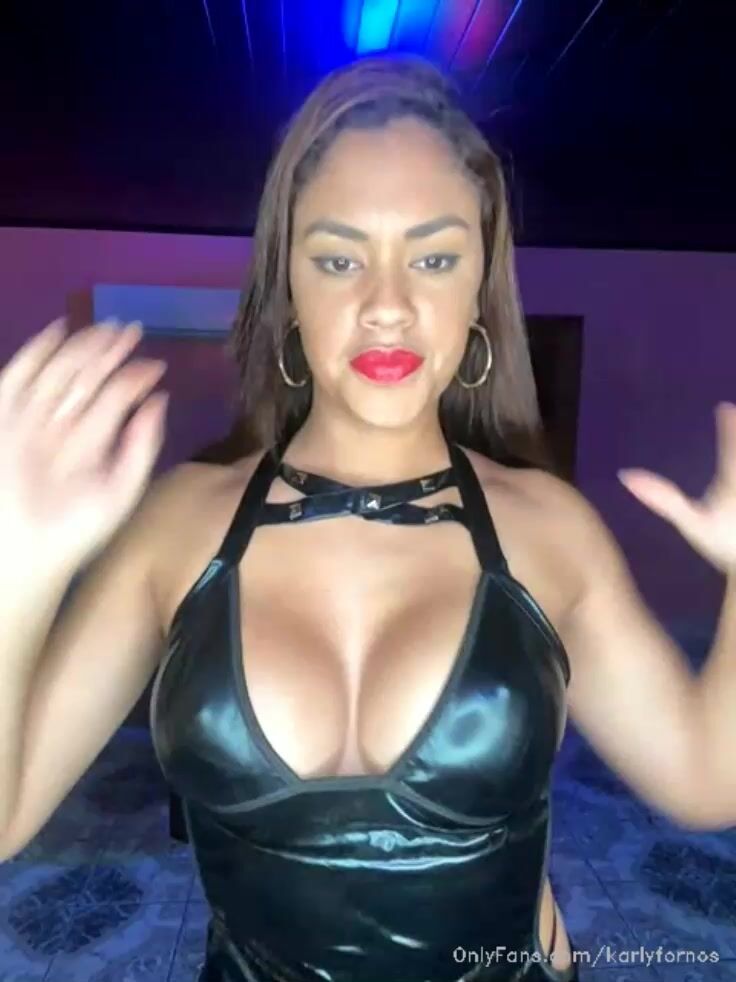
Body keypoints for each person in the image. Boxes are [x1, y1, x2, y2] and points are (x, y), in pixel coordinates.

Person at [1, 54, 735, 982]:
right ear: (289, 286)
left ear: (480, 285)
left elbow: (705, 781)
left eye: (434, 258)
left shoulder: (551, 531)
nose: (388, 306)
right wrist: (16, 561)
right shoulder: (178, 527)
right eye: (340, 259)